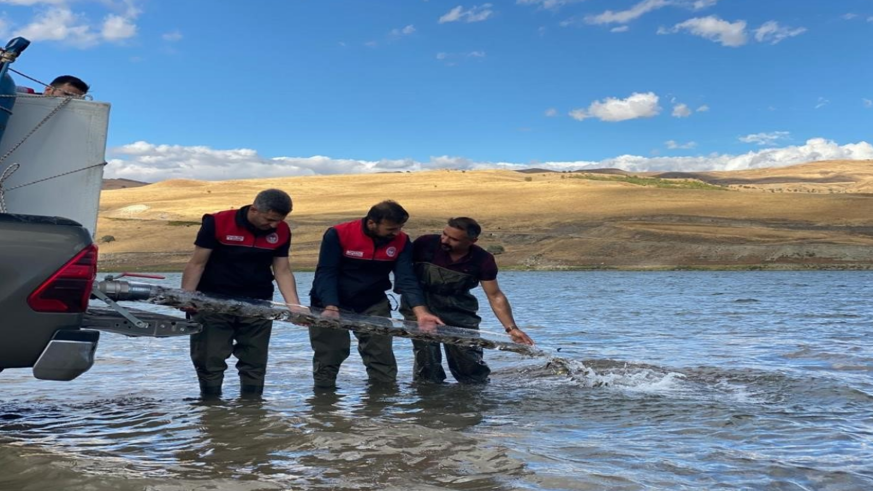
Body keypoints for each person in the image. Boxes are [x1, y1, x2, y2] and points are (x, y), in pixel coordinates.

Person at [309, 200, 443, 389]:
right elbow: (326, 272)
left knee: (382, 359)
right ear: (372, 223)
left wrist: (421, 313)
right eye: (391, 229)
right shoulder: (338, 233)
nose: (397, 233)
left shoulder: (402, 241)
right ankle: (324, 399)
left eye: (400, 227)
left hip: (373, 303)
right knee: (329, 355)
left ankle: (383, 401)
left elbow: (406, 279)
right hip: (329, 302)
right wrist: (330, 306)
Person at [181, 189, 301, 397]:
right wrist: (187, 297)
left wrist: (295, 306)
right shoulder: (217, 222)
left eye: (279, 221)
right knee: (209, 360)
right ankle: (210, 407)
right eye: (269, 220)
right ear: (254, 210)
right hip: (212, 302)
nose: (274, 226)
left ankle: (252, 409)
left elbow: (282, 270)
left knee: (255, 362)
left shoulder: (282, 231)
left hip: (259, 303)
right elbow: (197, 263)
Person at [401, 217, 533, 384]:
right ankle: (428, 395)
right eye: (444, 234)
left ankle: (474, 394)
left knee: (469, 361)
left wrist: (511, 328)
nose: (445, 240)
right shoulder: (425, 243)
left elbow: (495, 295)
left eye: (454, 239)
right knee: (427, 361)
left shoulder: (483, 259)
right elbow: (402, 272)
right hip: (420, 306)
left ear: (472, 241)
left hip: (459, 310)